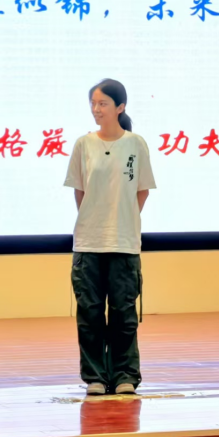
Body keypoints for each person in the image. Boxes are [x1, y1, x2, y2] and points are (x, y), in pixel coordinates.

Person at [64, 78, 156, 396]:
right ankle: (95, 377)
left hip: (124, 242)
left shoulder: (136, 144)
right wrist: (97, 219)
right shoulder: (83, 144)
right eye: (93, 103)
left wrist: (121, 219)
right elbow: (80, 191)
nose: (96, 109)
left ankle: (124, 375)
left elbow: (141, 191)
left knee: (123, 314)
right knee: (89, 313)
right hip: (88, 242)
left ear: (120, 107)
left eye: (103, 103)